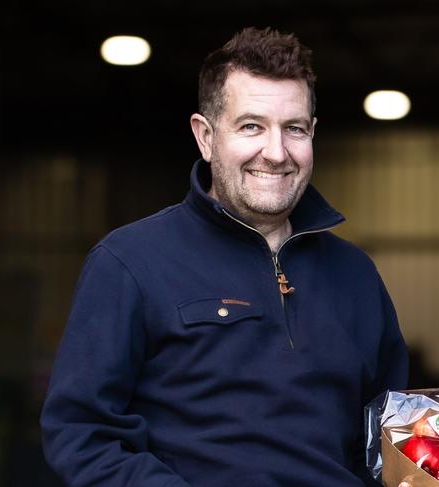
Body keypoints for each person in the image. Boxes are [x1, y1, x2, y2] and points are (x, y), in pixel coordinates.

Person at [40, 26, 408, 487]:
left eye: (293, 129)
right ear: (205, 136)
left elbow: (390, 441)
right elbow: (81, 433)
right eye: (251, 126)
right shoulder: (129, 262)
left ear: (312, 133)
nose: (275, 153)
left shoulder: (356, 276)